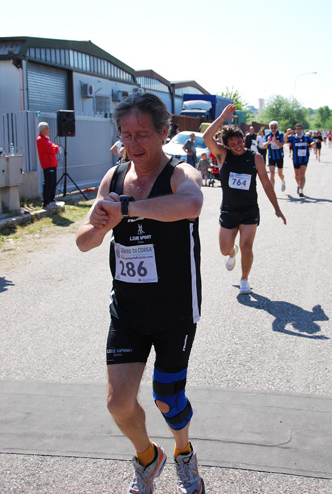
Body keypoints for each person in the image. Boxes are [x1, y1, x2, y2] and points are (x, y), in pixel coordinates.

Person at [76, 93, 205, 494]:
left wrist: (129, 209)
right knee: (118, 403)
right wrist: (97, 224)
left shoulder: (181, 174)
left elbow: (193, 204)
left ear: (164, 133)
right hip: (128, 312)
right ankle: (149, 458)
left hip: (175, 312)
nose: (133, 144)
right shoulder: (112, 178)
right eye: (126, 135)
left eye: (143, 134)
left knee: (167, 398)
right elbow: (83, 242)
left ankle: (184, 454)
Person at [203, 104, 286, 295]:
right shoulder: (222, 154)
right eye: (233, 145)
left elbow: (266, 184)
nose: (238, 147)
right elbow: (206, 137)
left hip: (249, 210)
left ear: (243, 139)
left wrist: (277, 207)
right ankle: (232, 253)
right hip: (229, 211)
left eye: (239, 142)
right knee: (225, 249)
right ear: (227, 146)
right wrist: (222, 117)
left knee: (247, 246)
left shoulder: (255, 157)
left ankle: (244, 279)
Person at [284, 124, 315, 198]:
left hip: (304, 159)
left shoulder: (306, 137)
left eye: (300, 128)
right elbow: (285, 140)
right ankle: (298, 185)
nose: (298, 130)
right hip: (296, 159)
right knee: (297, 175)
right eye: (297, 129)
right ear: (295, 130)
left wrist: (312, 144)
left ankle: (301, 190)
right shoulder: (293, 138)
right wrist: (287, 133)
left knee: (302, 175)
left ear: (302, 130)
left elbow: (312, 142)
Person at [36, 122, 61, 209]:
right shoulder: (40, 140)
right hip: (48, 164)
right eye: (47, 128)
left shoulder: (46, 139)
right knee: (48, 183)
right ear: (43, 129)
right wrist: (54, 148)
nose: (49, 130)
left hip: (53, 163)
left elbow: (55, 147)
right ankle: (46, 202)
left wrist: (54, 147)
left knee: (53, 182)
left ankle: (51, 199)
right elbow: (51, 149)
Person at [263, 121, 286, 192]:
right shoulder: (267, 135)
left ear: (277, 128)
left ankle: (283, 181)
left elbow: (281, 145)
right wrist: (268, 142)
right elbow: (263, 146)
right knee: (272, 174)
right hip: (271, 157)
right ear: (270, 128)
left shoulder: (280, 134)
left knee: (280, 174)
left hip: (279, 157)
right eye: (272, 128)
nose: (273, 129)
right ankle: (272, 190)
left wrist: (275, 141)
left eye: (275, 127)